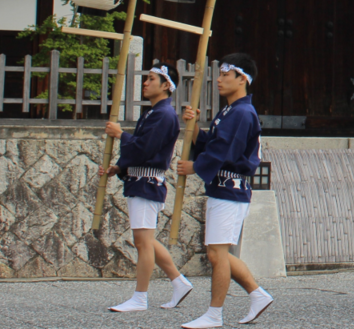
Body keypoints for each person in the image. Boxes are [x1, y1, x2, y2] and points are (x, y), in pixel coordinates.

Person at [178, 54, 273, 329]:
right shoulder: (231, 111)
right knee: (219, 253)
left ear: (242, 79)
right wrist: (194, 127)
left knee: (217, 253)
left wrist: (195, 166)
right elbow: (213, 142)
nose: (218, 80)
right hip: (224, 189)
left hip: (231, 189)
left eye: (224, 75)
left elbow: (223, 151)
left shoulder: (242, 112)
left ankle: (214, 314)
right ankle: (257, 295)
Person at [103, 63, 191, 313]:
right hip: (140, 180)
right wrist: (119, 168)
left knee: (142, 242)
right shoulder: (153, 113)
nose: (145, 82)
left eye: (151, 79)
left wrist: (121, 135)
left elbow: (144, 149)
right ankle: (178, 281)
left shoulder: (164, 115)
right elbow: (141, 147)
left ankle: (140, 297)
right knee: (146, 240)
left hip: (148, 182)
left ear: (166, 85)